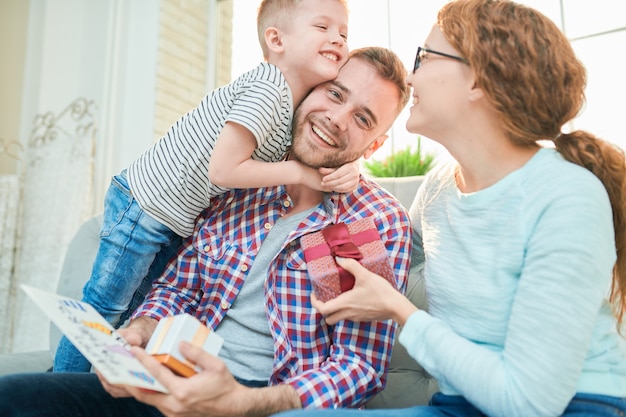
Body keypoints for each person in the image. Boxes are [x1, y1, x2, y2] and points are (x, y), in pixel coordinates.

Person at [0, 46, 413, 416]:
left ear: (375, 145)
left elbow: (357, 365)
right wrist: (140, 332)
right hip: (166, 383)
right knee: (13, 397)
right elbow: (179, 288)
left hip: (263, 403)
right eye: (335, 94)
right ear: (310, 91)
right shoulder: (245, 186)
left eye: (363, 118)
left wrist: (245, 403)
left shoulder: (368, 221)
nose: (337, 119)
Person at [272, 1, 626, 416]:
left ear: (477, 79)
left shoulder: (567, 196)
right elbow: (377, 257)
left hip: (572, 406)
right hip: (462, 404)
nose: (410, 74)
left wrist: (398, 310)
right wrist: (342, 159)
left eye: (424, 57)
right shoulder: (439, 187)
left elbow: (528, 403)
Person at [54, 0, 358, 372]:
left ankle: (95, 383)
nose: (338, 40)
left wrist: (351, 163)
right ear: (276, 40)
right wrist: (299, 174)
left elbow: (321, 143)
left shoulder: (290, 104)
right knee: (105, 310)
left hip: (172, 218)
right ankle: (64, 387)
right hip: (146, 204)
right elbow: (224, 171)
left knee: (135, 312)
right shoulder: (268, 88)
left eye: (344, 33)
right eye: (323, 27)